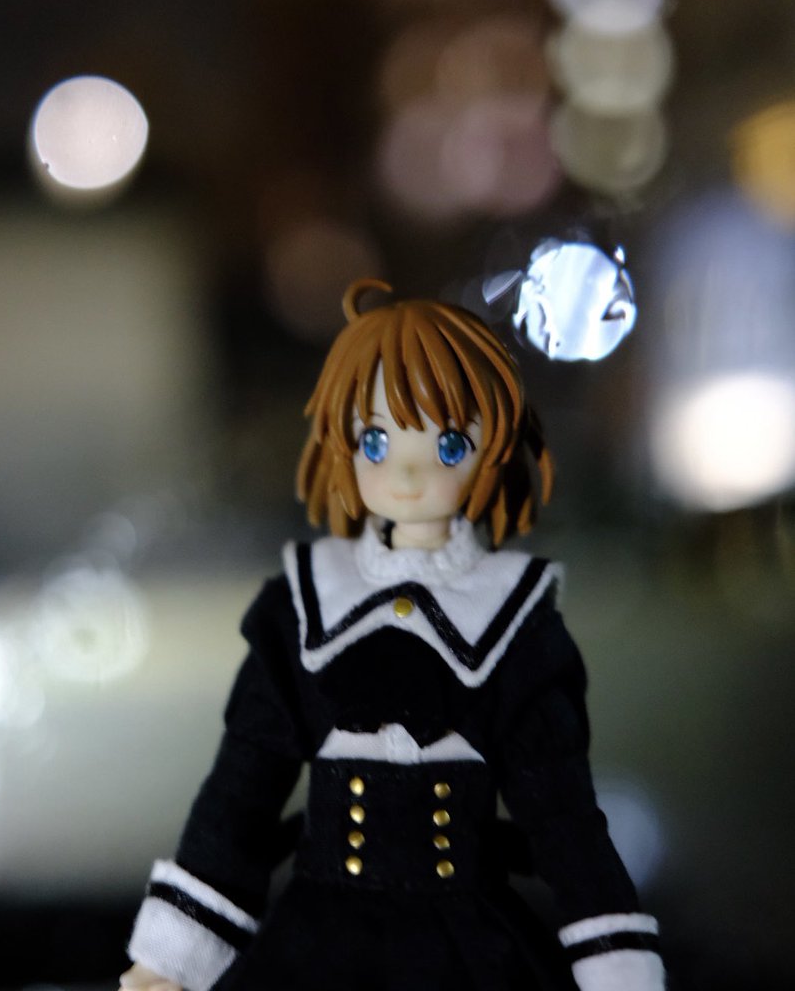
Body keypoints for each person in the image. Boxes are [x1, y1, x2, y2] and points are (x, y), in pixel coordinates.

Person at [120, 279, 665, 991]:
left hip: (467, 946)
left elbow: (563, 820)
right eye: (376, 440)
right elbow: (239, 795)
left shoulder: (516, 621)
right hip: (315, 945)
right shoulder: (303, 606)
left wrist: (617, 972)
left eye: (447, 444)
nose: (408, 472)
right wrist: (168, 959)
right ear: (343, 441)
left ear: (493, 448)